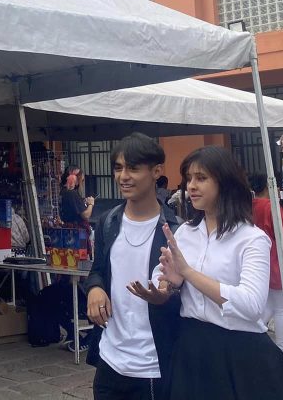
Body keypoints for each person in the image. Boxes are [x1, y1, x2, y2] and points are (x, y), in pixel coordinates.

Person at [138, 146, 283, 400]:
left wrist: (189, 273)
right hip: (191, 349)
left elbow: (251, 305)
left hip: (240, 353)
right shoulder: (184, 233)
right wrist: (167, 286)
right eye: (189, 178)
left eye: (201, 178)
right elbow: (162, 276)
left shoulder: (251, 239)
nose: (191, 186)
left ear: (225, 182)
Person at [84, 134, 181, 400]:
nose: (123, 176)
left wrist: (166, 296)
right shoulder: (108, 223)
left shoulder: (176, 231)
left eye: (133, 168)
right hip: (109, 361)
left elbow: (189, 296)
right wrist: (94, 288)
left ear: (156, 171)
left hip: (152, 366)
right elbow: (98, 270)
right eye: (118, 168)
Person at [249, 173, 283, 361]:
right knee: (282, 308)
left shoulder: (248, 207)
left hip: (256, 263)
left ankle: (254, 342)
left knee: (267, 307)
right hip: (274, 262)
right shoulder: (271, 207)